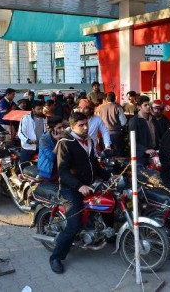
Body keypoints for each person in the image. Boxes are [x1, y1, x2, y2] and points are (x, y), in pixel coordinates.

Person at [49, 112, 112, 274]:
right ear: (72, 126)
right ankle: (56, 257)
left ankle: (107, 235)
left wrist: (110, 176)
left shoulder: (89, 140)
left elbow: (94, 165)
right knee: (74, 224)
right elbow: (62, 171)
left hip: (89, 184)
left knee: (111, 204)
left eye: (86, 124)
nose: (85, 127)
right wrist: (79, 186)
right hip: (70, 189)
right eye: (81, 125)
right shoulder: (65, 142)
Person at [128, 95, 157, 166]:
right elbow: (132, 141)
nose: (148, 107)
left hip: (154, 154)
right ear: (139, 107)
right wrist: (145, 150)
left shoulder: (153, 119)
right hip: (141, 156)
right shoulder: (134, 121)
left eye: (149, 105)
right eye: (145, 105)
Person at [97, 92, 127, 156]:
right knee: (118, 156)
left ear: (106, 99)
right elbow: (124, 122)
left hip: (104, 136)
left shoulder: (101, 108)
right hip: (116, 134)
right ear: (115, 99)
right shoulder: (118, 107)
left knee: (106, 155)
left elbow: (98, 121)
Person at [37, 116, 64, 181]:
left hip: (59, 169)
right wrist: (58, 141)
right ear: (52, 129)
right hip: (48, 171)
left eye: (63, 127)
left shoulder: (64, 135)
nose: (62, 129)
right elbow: (51, 157)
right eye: (59, 128)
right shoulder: (44, 139)